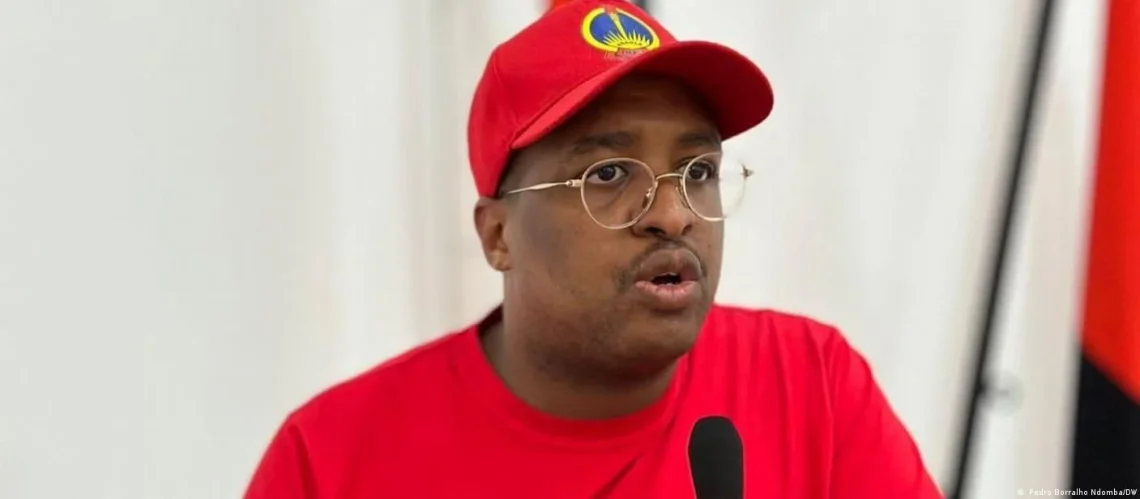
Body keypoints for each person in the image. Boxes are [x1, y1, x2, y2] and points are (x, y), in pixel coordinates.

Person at [244, 0, 943, 497]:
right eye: (608, 175)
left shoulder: (812, 385)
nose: (673, 214)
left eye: (698, 171)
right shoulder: (331, 461)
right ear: (498, 235)